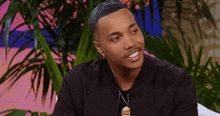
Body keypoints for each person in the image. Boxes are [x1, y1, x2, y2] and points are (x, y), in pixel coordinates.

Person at [52, 1, 198, 116]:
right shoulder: (78, 82)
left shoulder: (176, 82)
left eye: (134, 31)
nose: (131, 44)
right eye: (116, 38)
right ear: (99, 48)